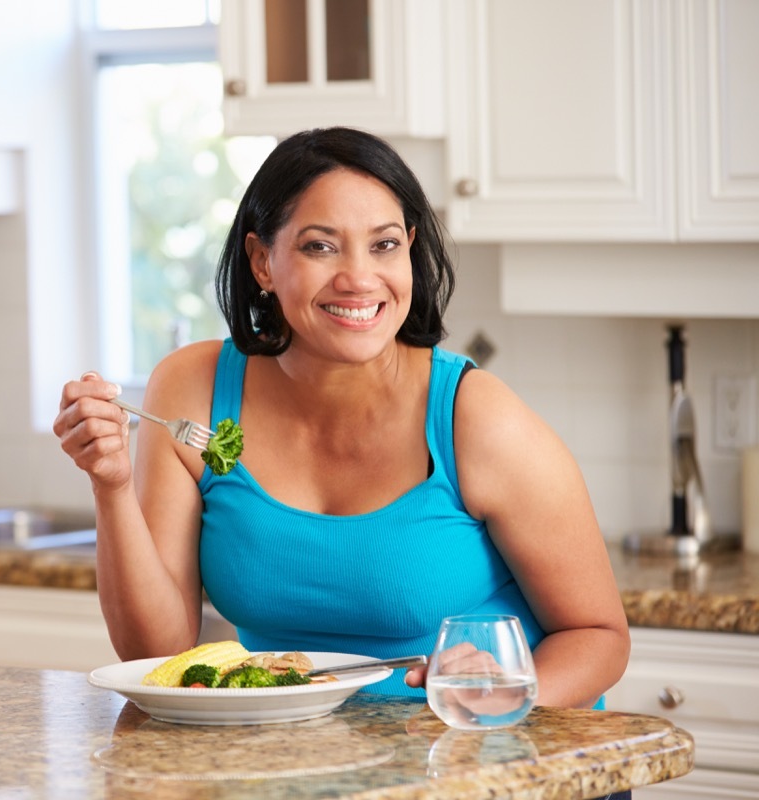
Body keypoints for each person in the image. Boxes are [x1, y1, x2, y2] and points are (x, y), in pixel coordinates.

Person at [54, 127, 630, 714]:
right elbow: (159, 652)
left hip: (488, 756)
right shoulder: (192, 390)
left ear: (409, 249)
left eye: (383, 245)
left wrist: (500, 696)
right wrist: (112, 484)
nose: (358, 278)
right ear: (262, 262)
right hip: (306, 765)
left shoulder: (473, 417)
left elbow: (600, 638)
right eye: (320, 247)